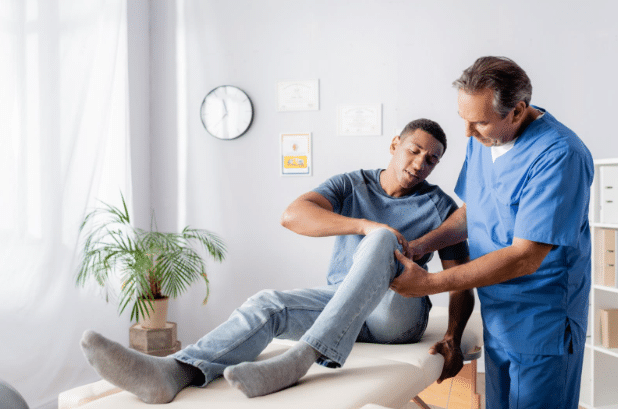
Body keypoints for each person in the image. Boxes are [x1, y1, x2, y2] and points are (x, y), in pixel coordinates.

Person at [80, 118, 474, 403]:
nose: (421, 163)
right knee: (269, 303)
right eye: (415, 150)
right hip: (341, 300)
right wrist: (363, 225)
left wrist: (453, 337)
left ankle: (302, 358)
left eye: (432, 159)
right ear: (394, 145)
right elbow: (293, 215)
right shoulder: (351, 183)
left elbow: (461, 280)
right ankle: (174, 371)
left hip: (396, 317)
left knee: (384, 239)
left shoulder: (438, 204)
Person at [390, 57, 593, 409]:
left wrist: (430, 283)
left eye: (480, 122)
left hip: (541, 321)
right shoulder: (484, 138)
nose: (468, 132)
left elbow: (525, 256)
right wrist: (422, 245)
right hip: (498, 314)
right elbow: (475, 212)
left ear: (517, 111)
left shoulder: (560, 156)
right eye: (464, 121)